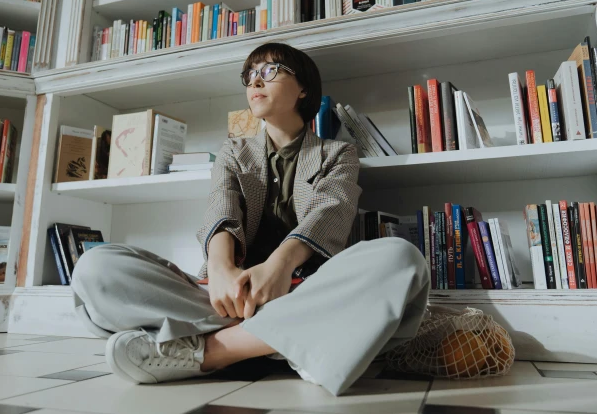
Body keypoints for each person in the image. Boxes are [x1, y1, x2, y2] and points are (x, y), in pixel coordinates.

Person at [71, 43, 430, 396]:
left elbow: (330, 212)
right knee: (96, 268)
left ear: (303, 89)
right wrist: (222, 270)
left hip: (305, 291)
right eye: (250, 75)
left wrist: (277, 267)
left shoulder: (338, 153)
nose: (255, 82)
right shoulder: (233, 151)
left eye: (269, 72)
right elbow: (221, 206)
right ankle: (290, 342)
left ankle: (210, 352)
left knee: (402, 259)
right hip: (229, 298)